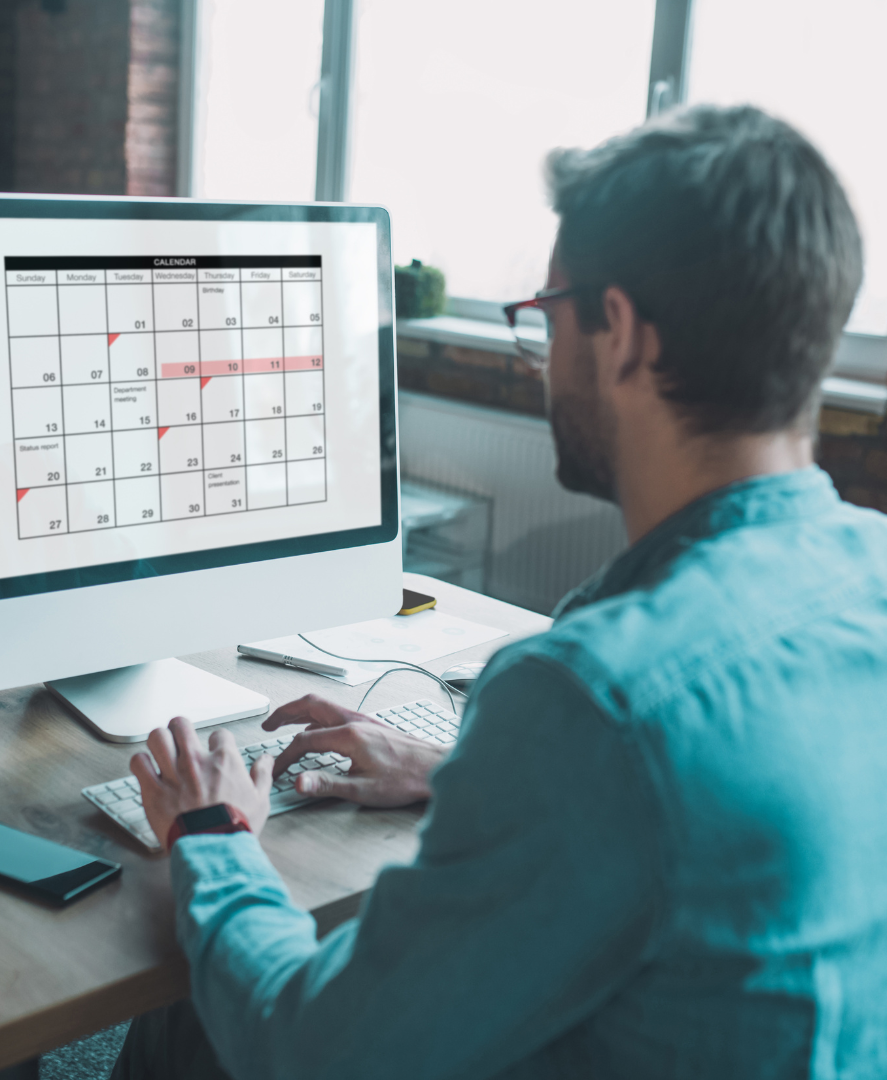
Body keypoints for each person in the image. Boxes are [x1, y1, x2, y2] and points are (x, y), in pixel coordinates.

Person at [111, 104, 887, 1079]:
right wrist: (461, 768)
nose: (541, 353)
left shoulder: (592, 700)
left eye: (546, 314)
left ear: (623, 332)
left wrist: (212, 833)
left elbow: (309, 1050)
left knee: (193, 1004)